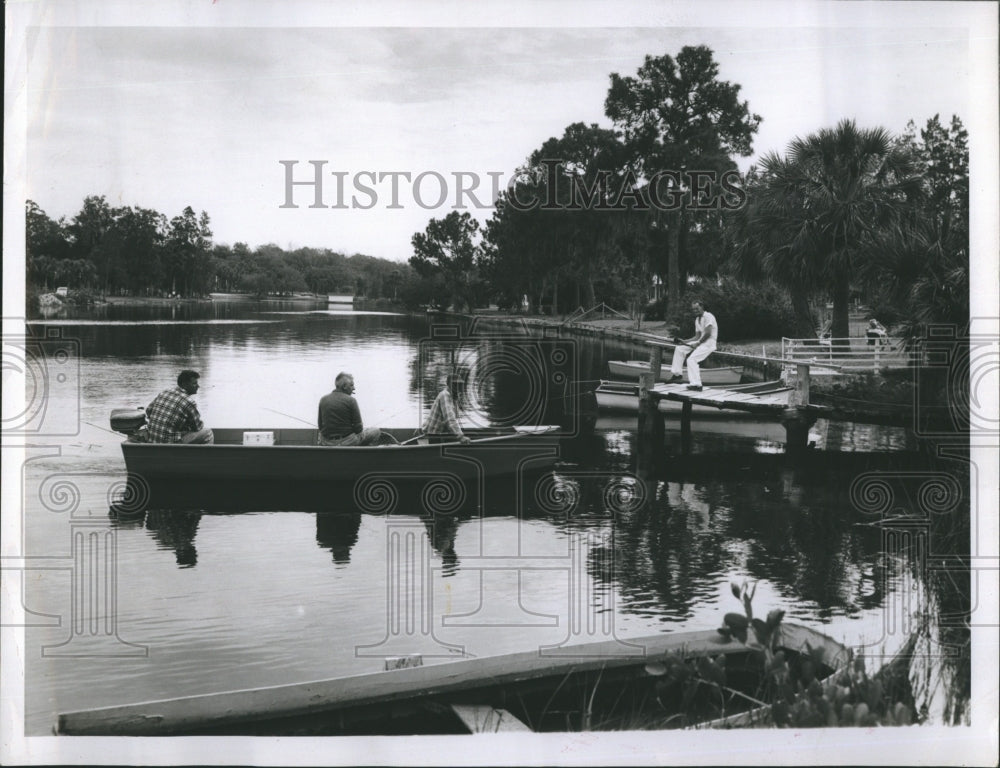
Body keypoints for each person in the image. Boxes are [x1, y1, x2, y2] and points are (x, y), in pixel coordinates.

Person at [145, 370, 214, 444]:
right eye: (194, 383)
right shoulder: (188, 402)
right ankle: (207, 455)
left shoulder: (165, 392)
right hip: (170, 444)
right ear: (184, 385)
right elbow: (197, 427)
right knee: (208, 433)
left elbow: (148, 411)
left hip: (153, 439)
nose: (198, 386)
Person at [317, 372, 382, 446]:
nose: (354, 388)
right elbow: (359, 429)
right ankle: (362, 453)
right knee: (376, 431)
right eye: (351, 385)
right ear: (344, 386)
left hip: (327, 442)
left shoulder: (323, 399)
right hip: (347, 442)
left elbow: (320, 426)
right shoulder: (351, 400)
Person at [668, 300, 718, 392]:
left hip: (709, 342)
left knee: (691, 360)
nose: (695, 311)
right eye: (693, 309)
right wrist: (684, 341)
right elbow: (697, 336)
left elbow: (708, 333)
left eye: (697, 308)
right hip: (701, 341)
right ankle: (677, 374)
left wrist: (698, 343)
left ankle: (697, 385)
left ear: (702, 307)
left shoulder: (708, 316)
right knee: (680, 348)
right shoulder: (697, 320)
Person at [423, 374, 472, 444]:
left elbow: (454, 420)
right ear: (449, 384)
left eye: (459, 384)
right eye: (455, 384)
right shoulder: (445, 395)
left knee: (473, 434)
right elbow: (450, 419)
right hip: (434, 435)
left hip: (442, 434)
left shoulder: (454, 397)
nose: (458, 387)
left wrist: (459, 433)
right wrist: (461, 437)